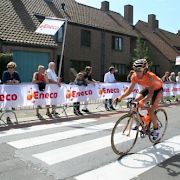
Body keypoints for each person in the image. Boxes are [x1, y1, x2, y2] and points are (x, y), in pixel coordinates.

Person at [115, 59, 163, 140]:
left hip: (157, 90)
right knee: (135, 101)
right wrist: (120, 97)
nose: (137, 72)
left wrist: (143, 101)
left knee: (151, 110)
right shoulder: (134, 76)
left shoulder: (150, 77)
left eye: (139, 70)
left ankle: (156, 128)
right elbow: (130, 90)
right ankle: (140, 122)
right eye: (135, 70)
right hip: (148, 88)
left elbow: (151, 94)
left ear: (144, 70)